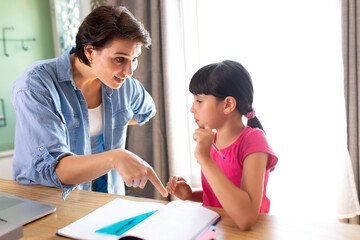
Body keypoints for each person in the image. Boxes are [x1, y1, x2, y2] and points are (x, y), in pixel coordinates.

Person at [11, 5, 168, 200]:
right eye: (120, 59)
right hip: (49, 204)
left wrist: (105, 124)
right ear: (89, 51)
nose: (129, 72)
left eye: (134, 59)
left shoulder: (125, 84)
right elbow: (55, 170)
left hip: (107, 200)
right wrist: (115, 157)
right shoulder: (36, 84)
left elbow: (145, 112)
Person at [166, 60, 278, 230]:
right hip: (216, 229)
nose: (192, 108)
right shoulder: (212, 141)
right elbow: (222, 194)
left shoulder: (253, 141)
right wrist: (190, 195)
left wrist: (204, 159)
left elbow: (246, 218)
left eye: (199, 100)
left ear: (228, 105)